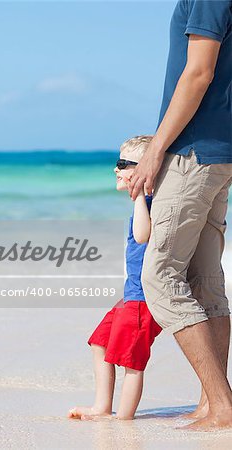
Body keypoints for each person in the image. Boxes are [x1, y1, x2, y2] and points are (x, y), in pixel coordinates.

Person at [126, 0, 232, 430]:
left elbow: (199, 72)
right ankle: (212, 403)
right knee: (205, 279)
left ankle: (222, 405)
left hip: (194, 152)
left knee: (161, 276)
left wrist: (155, 150)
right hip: (220, 154)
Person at [68, 136, 162, 421]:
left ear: (144, 169)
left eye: (122, 163)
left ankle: (124, 418)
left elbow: (143, 235)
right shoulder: (143, 203)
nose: (115, 169)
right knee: (101, 343)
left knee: (131, 362)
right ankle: (101, 407)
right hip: (132, 294)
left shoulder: (149, 203)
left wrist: (138, 198)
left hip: (144, 300)